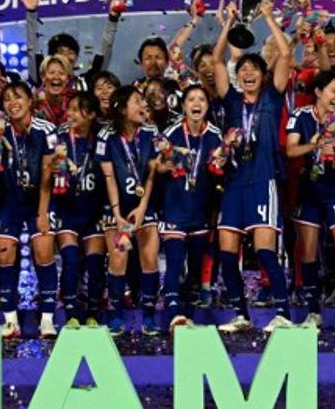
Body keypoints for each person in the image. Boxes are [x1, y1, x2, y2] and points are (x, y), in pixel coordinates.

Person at [209, 2, 293, 332]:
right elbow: (216, 61)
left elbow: (285, 56)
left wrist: (269, 18)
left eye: (254, 70)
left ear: (262, 74)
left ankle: (284, 313)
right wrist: (229, 21)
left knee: (265, 251)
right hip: (233, 182)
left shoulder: (272, 97)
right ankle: (241, 315)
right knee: (227, 254)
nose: (247, 74)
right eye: (243, 70)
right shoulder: (230, 100)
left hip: (262, 180)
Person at [0, 81, 59, 338]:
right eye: (7, 98)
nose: (13, 103)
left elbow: (47, 175)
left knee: (43, 249)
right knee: (4, 251)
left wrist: (42, 212)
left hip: (38, 199)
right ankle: (10, 320)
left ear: (30, 100)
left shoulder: (47, 130)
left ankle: (47, 319)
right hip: (9, 200)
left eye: (18, 97)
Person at [286, 70, 335, 327]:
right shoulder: (301, 116)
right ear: (319, 92)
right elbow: (291, 149)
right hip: (310, 193)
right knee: (307, 253)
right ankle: (312, 312)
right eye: (333, 91)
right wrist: (314, 146)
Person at [154, 84, 224, 329]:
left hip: (200, 209)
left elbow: (221, 171)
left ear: (207, 105)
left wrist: (222, 163)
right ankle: (173, 313)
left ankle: (188, 313)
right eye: (191, 99)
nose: (196, 104)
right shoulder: (171, 132)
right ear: (183, 105)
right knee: (174, 261)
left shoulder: (216, 135)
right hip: (175, 206)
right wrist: (170, 163)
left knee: (195, 267)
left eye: (201, 99)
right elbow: (156, 167)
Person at [98, 85, 161, 335]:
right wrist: (118, 214)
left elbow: (152, 173)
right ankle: (115, 315)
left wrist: (143, 207)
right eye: (137, 101)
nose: (142, 105)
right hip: (119, 210)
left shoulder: (151, 132)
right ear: (123, 108)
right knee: (119, 256)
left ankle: (148, 315)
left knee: (149, 257)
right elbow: (109, 177)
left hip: (143, 207)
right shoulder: (107, 136)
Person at [50, 92, 107, 326]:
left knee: (95, 262)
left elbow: (109, 177)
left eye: (76, 109)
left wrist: (108, 211)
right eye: (69, 109)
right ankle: (71, 313)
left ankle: (94, 313)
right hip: (67, 211)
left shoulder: (102, 141)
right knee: (71, 259)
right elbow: (45, 171)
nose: (70, 114)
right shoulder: (59, 139)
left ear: (91, 114)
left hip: (93, 213)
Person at [21, 0, 122, 94]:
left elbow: (104, 52)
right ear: (51, 58)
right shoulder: (42, 80)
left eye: (70, 52)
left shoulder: (86, 83)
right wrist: (31, 12)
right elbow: (32, 49)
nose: (66, 56)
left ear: (77, 57)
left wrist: (113, 19)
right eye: (60, 51)